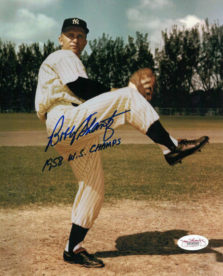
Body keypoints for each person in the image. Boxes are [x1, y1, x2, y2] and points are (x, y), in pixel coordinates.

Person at [35, 17, 209, 268]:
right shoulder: (62, 56)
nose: (75, 39)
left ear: (85, 41)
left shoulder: (73, 61)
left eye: (80, 35)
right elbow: (81, 87)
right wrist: (119, 93)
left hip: (71, 129)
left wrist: (114, 96)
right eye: (70, 34)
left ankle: (72, 249)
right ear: (60, 39)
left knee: (93, 188)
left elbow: (86, 92)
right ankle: (171, 147)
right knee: (128, 97)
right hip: (65, 118)